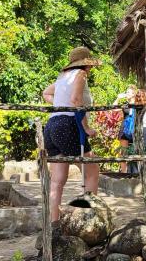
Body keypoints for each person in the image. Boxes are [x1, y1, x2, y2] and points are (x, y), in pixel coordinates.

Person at [42, 46, 101, 223]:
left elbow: (46, 93)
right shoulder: (80, 75)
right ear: (86, 64)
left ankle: (54, 222)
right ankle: (88, 217)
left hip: (52, 125)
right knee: (92, 170)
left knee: (57, 179)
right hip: (68, 125)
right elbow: (75, 101)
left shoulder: (62, 77)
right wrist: (86, 127)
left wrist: (59, 106)